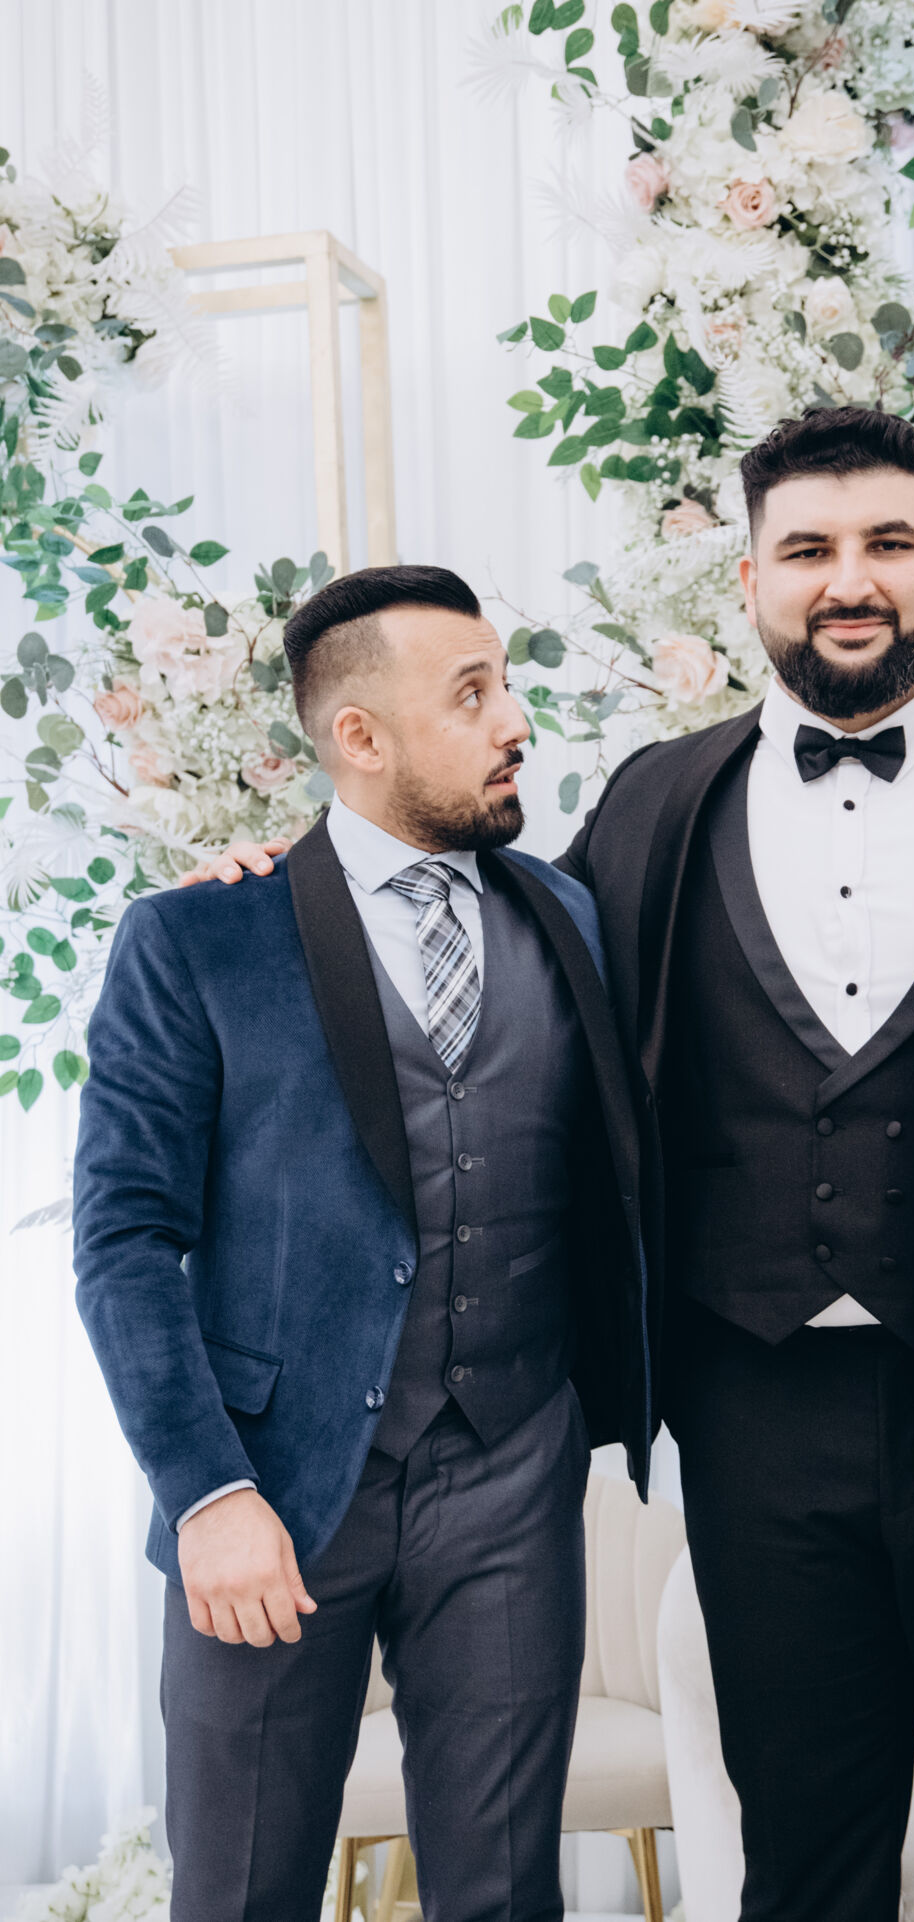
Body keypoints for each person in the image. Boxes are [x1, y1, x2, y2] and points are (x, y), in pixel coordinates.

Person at [194, 409, 914, 1922]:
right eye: (809, 549)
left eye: (890, 542)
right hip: (755, 1415)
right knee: (801, 1861)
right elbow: (482, 950)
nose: (853, 579)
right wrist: (281, 884)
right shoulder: (655, 797)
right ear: (754, 580)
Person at [73, 565, 656, 1922]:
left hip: (511, 1473)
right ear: (360, 736)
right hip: (268, 1495)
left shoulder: (566, 914)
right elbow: (124, 1238)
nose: (516, 720)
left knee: (505, 1895)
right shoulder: (199, 936)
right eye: (473, 693)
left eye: (508, 684)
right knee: (241, 1893)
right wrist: (208, 1496)